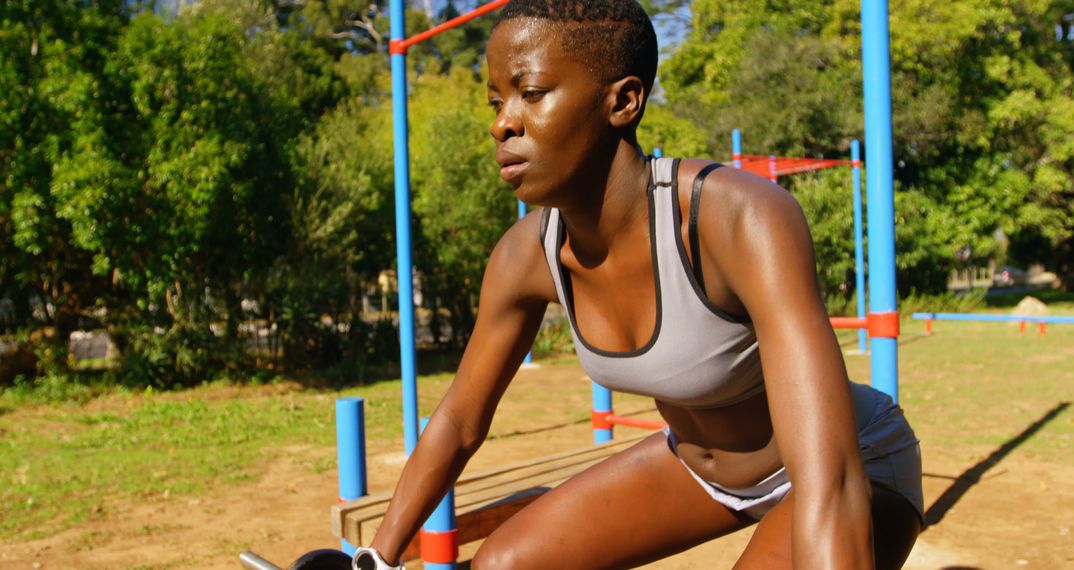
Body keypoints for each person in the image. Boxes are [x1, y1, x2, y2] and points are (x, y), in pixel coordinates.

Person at [365, 1, 923, 568]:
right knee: (502, 565)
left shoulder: (736, 218)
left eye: (530, 93)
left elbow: (831, 483)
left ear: (623, 101)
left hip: (851, 466)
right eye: (496, 100)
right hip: (697, 472)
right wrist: (374, 558)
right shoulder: (523, 257)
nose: (502, 122)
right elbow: (459, 421)